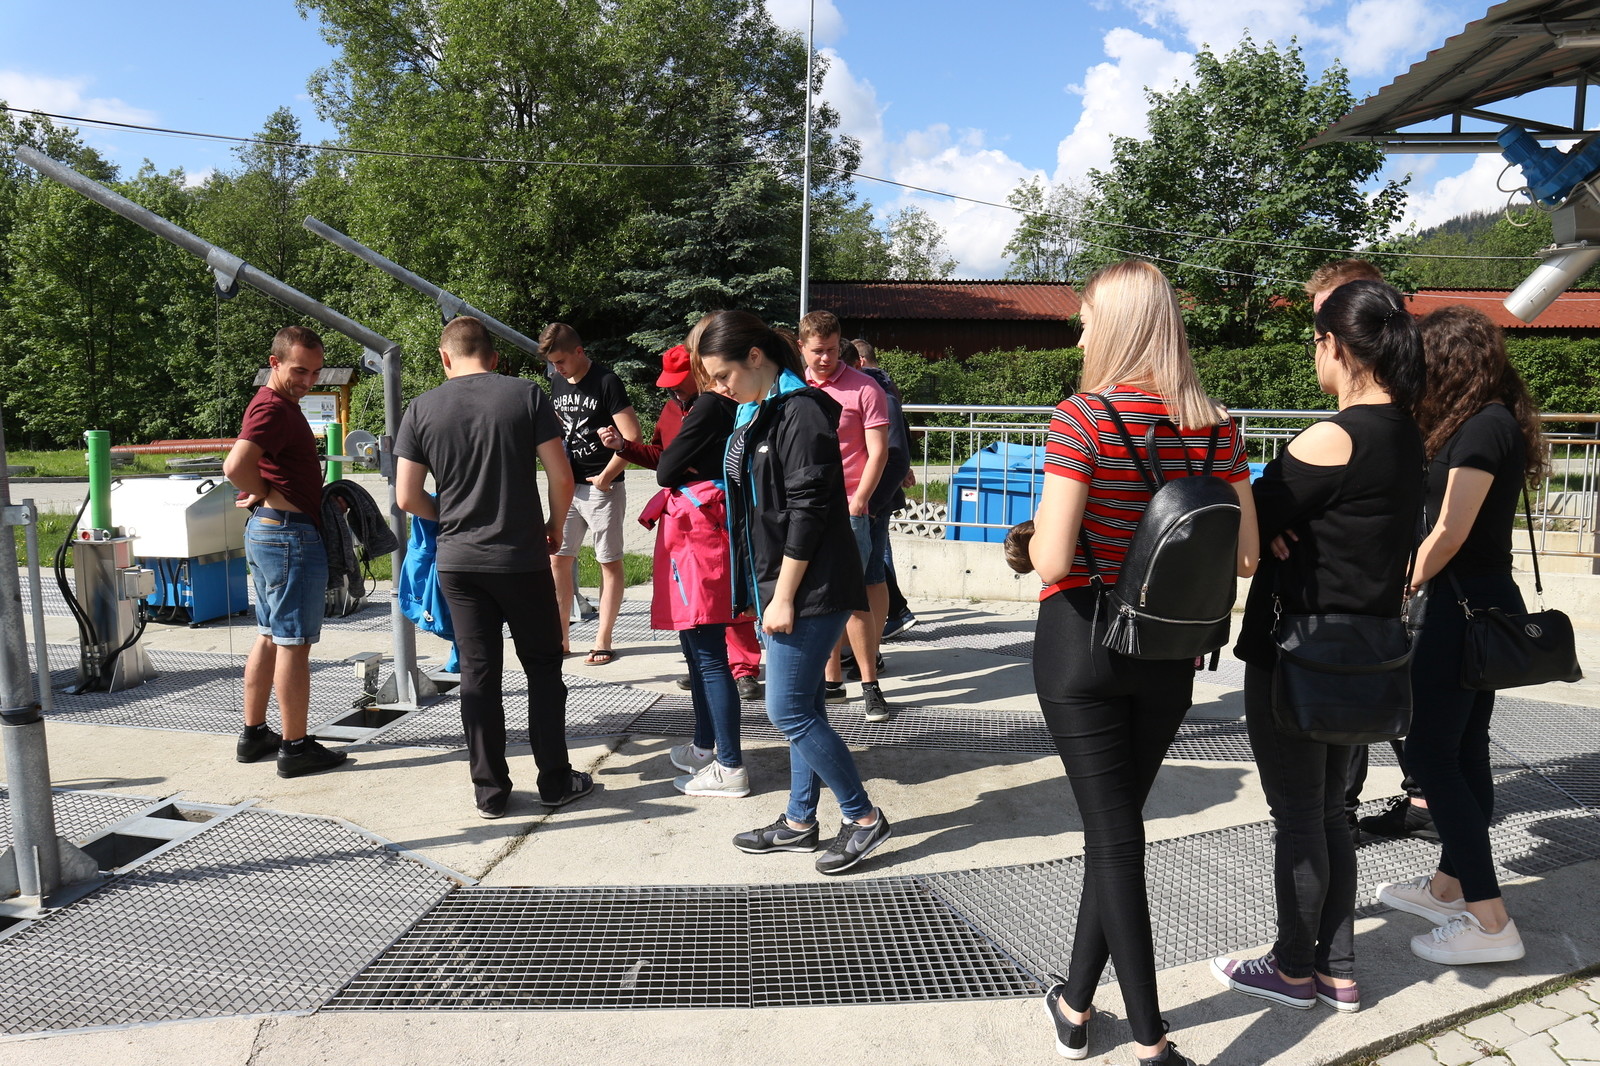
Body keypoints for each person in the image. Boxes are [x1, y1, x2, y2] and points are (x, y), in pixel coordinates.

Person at [1029, 260, 1258, 1066]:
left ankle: (1152, 1042)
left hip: (1082, 644)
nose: (1080, 336)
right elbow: (1246, 556)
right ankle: (1074, 1003)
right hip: (1168, 650)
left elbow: (1054, 557)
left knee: (1115, 837)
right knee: (1116, 829)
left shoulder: (1082, 419)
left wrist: (1036, 535)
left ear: (1119, 326)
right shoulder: (1217, 427)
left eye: (1088, 319)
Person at [1214, 279, 1427, 1013]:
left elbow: (1242, 520)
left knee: (1300, 817)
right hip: (1364, 651)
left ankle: (1292, 968)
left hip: (1300, 652)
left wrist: (1251, 492)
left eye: (1315, 341)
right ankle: (1337, 970)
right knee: (1331, 811)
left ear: (1334, 345)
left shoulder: (1334, 435)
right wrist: (1275, 521)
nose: (1315, 355)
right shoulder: (1405, 432)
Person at [692, 309, 893, 875]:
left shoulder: (800, 411)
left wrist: (782, 596)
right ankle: (801, 822)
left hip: (808, 585)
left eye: (724, 374)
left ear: (755, 357)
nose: (719, 387)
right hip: (782, 581)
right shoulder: (762, 409)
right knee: (803, 705)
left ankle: (863, 818)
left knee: (786, 709)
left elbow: (808, 511)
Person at [1373, 306, 1546, 965]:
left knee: (1431, 755)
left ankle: (1491, 920)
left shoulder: (1480, 429)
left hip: (1458, 609)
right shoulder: (1490, 420)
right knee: (1464, 748)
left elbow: (1449, 531)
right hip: (1477, 605)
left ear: (1448, 362)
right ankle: (1451, 887)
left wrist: (1400, 585)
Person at [394, 316, 589, 818]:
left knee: (478, 676)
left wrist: (450, 517)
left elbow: (407, 496)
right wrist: (553, 525)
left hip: (459, 563)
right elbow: (561, 476)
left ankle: (491, 791)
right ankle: (555, 781)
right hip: (521, 558)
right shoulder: (526, 395)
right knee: (543, 669)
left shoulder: (421, 408)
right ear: (494, 357)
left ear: (444, 357)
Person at [1305, 259, 1434, 845]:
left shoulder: (1379, 417)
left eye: (1326, 323)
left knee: (1384, 685)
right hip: (1372, 594)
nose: (1320, 337)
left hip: (1375, 590)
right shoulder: (1391, 413)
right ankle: (1357, 806)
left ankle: (1392, 801)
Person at [599, 343, 752, 798]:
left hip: (704, 532)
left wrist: (671, 459)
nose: (675, 392)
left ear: (702, 372)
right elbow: (665, 459)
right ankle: (706, 747)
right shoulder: (686, 407)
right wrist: (627, 448)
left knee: (708, 651)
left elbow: (667, 470)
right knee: (694, 647)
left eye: (681, 384)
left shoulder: (713, 406)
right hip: (688, 530)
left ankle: (730, 764)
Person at [224, 325, 348, 779]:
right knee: (294, 642)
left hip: (272, 532)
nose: (308, 381)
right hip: (289, 536)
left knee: (269, 634)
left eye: (315, 372)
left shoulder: (275, 403)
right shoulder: (273, 407)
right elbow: (235, 466)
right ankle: (295, 748)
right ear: (274, 363)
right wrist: (263, 491)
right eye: (299, 370)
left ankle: (255, 734)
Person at [797, 310, 894, 722]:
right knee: (816, 599)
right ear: (802, 347)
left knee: (855, 599)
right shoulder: (793, 388)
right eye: (818, 351)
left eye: (833, 350)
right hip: (806, 508)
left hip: (851, 507)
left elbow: (878, 451)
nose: (825, 359)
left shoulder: (864, 387)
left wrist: (859, 501)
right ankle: (830, 681)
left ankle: (870, 685)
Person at [539, 322, 641, 665]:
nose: (557, 369)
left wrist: (606, 477)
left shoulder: (606, 381)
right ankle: (560, 638)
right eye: (552, 363)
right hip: (568, 486)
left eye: (561, 361)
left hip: (602, 487)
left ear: (579, 352)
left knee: (607, 561)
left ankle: (603, 639)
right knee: (557, 558)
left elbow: (633, 437)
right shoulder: (557, 381)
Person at [854, 338, 918, 640]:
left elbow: (893, 448)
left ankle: (894, 616)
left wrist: (873, 502)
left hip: (875, 497)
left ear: (859, 363)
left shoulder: (879, 393)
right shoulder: (885, 388)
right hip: (876, 495)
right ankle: (895, 613)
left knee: (875, 567)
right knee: (877, 563)